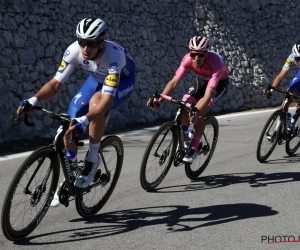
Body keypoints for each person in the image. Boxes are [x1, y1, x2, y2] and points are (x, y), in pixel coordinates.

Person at [17, 17, 135, 206]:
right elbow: (55, 84)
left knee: (96, 106)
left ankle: (92, 159)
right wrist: (33, 99)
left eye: (91, 44)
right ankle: (72, 172)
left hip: (122, 82)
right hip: (96, 81)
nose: (85, 48)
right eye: (82, 42)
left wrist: (87, 119)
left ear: (101, 43)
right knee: (70, 122)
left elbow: (105, 100)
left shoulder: (114, 56)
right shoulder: (74, 51)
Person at [148, 35, 229, 164]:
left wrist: (196, 111)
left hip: (218, 84)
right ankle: (186, 136)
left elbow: (208, 95)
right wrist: (160, 100)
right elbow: (174, 82)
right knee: (185, 104)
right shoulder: (187, 59)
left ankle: (194, 149)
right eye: (194, 54)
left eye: (200, 55)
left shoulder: (216, 65)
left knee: (201, 112)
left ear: (206, 54)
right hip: (202, 80)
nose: (196, 58)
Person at [264, 43, 300, 137]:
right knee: (287, 96)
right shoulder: (291, 57)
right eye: (298, 59)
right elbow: (280, 76)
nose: (299, 62)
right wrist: (271, 90)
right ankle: (277, 130)